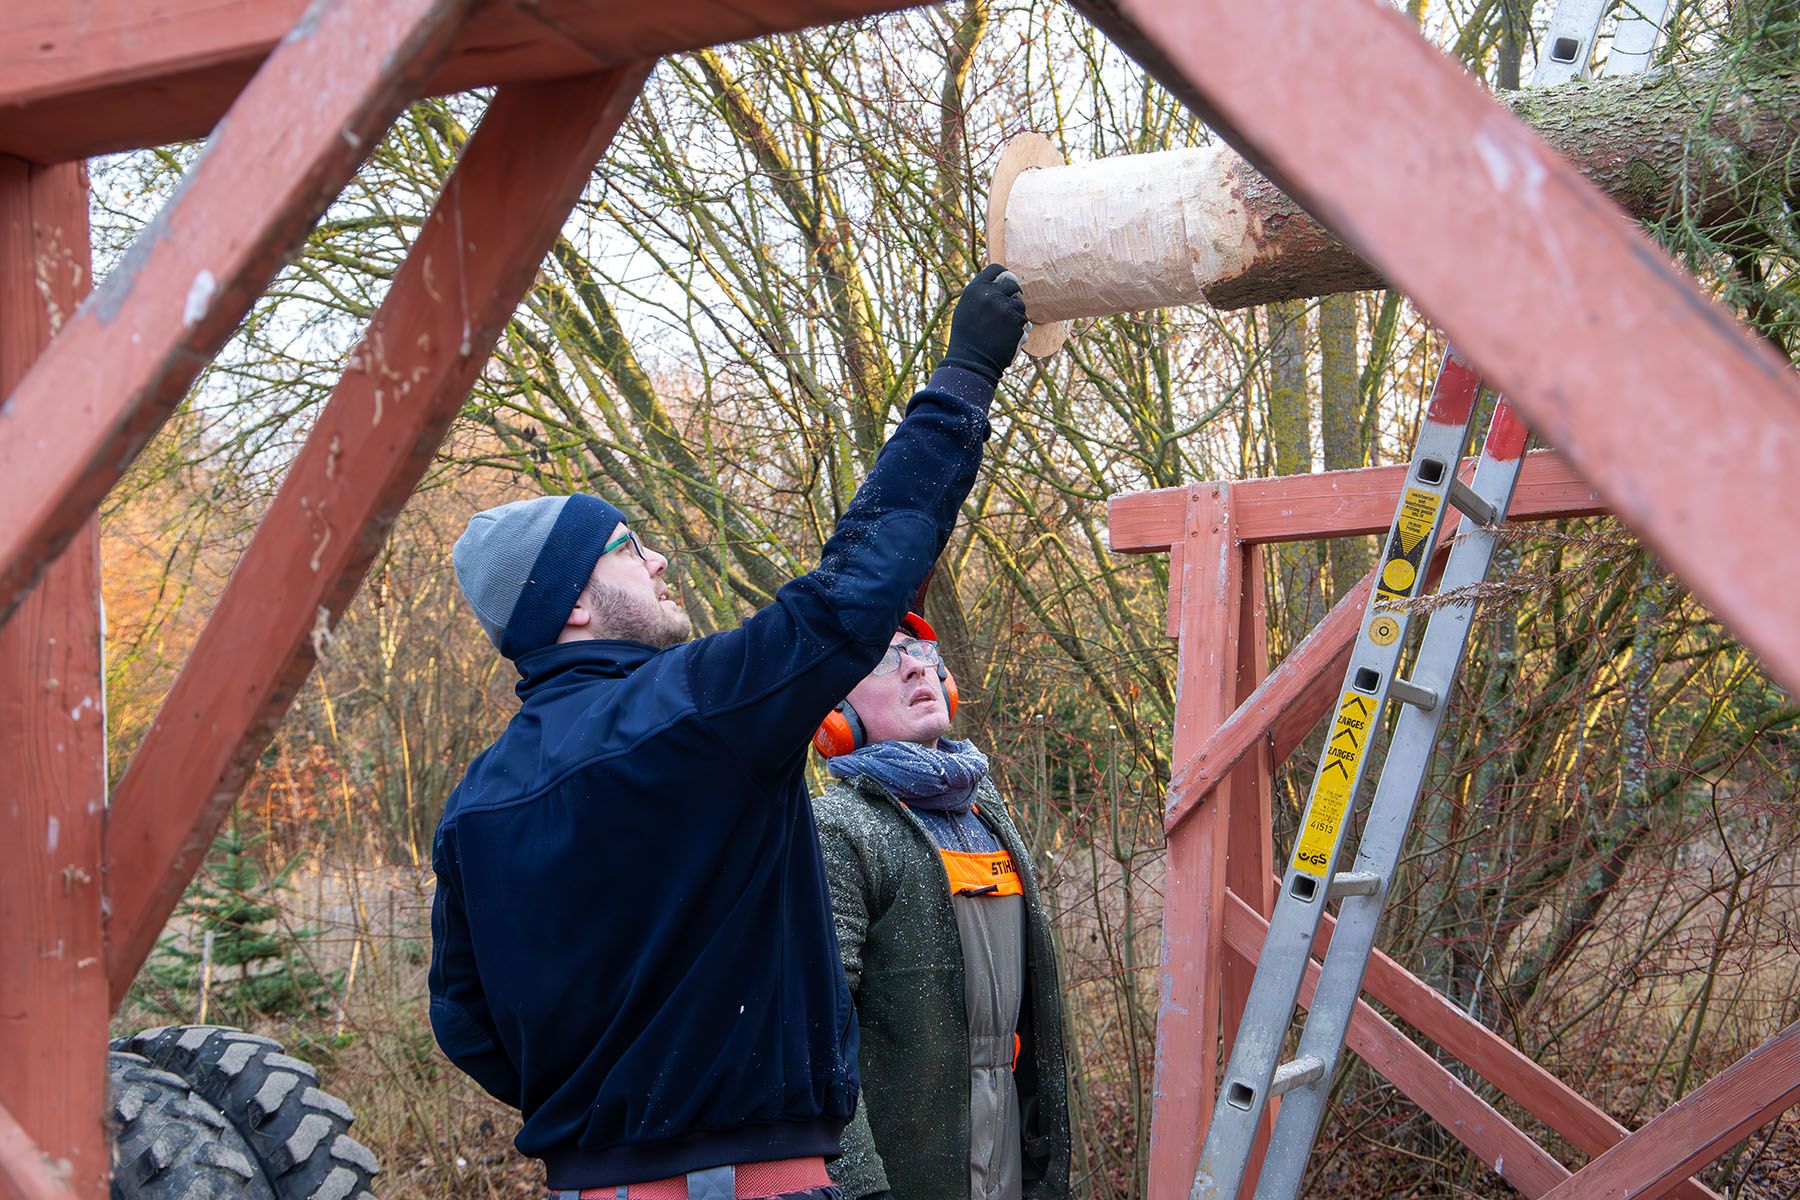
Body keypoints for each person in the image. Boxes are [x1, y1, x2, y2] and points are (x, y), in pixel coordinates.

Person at [428, 266, 1029, 1200]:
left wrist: (605, 1103)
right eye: (627, 547)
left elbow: (466, 1022)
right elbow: (854, 587)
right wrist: (963, 381)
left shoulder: (476, 809)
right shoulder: (692, 711)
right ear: (574, 601)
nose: (659, 557)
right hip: (752, 1180)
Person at [811, 615, 1070, 1200]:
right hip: (909, 1172)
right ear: (835, 712)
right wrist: (859, 1189)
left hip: (1010, 1152)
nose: (915, 665)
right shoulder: (838, 829)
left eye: (921, 651)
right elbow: (818, 1031)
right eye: (883, 656)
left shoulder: (987, 810)